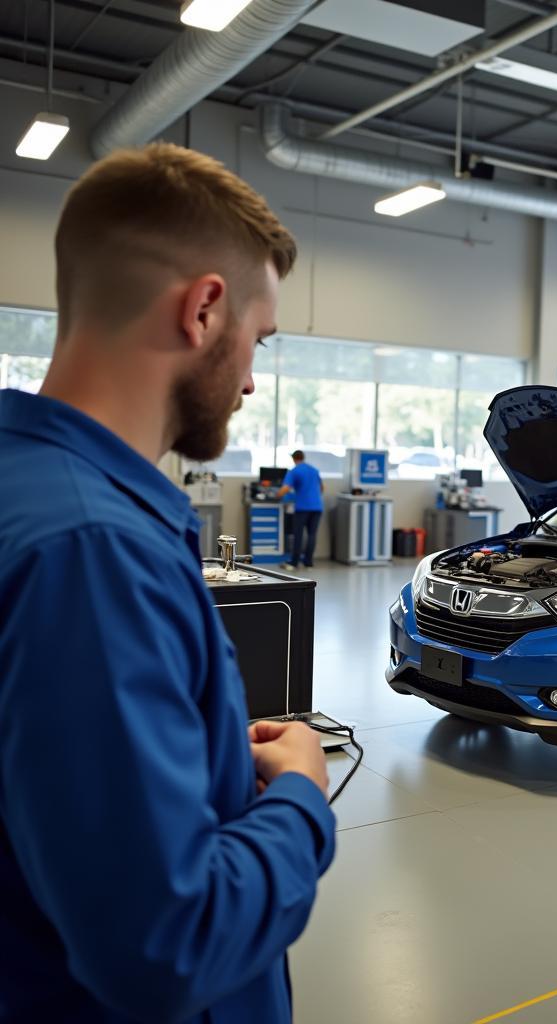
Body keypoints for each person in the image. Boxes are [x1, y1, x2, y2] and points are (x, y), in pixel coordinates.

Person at [0, 144, 335, 1023]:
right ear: (204, 310)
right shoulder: (93, 554)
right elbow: (168, 945)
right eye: (257, 341)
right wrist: (301, 795)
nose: (253, 380)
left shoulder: (25, 492)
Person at [277, 449, 324, 570]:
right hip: (317, 507)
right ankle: (308, 562)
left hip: (303, 507)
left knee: (298, 535)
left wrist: (275, 495)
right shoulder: (314, 470)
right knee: (312, 535)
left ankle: (294, 562)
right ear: (303, 457)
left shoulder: (294, 471)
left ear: (293, 459)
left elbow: (285, 488)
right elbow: (322, 488)